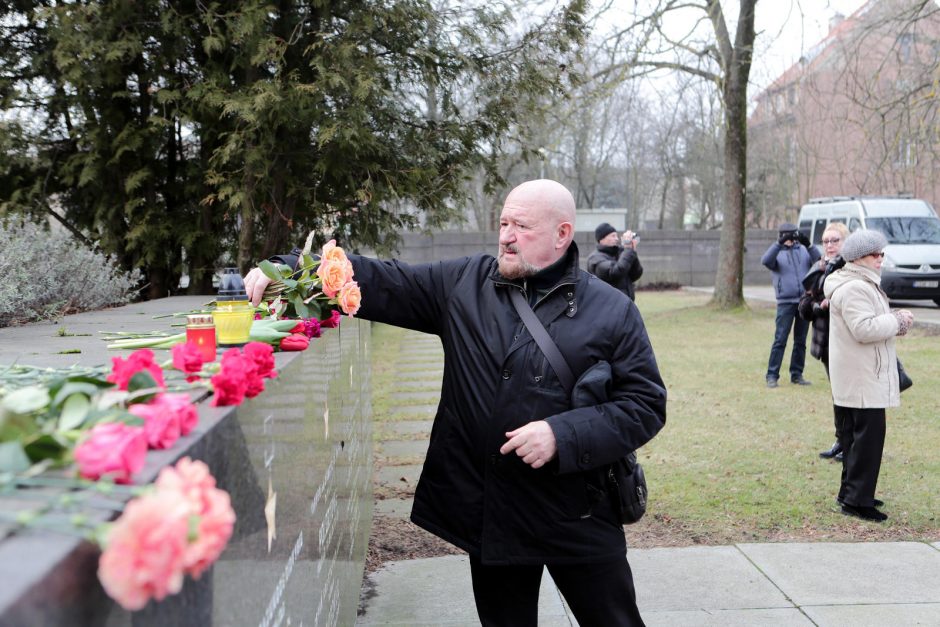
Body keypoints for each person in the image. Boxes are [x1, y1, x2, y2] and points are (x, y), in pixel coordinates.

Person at [245, 179, 667, 625]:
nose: (506, 235)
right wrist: (290, 268)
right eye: (503, 222)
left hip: (579, 515)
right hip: (495, 517)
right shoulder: (464, 283)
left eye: (522, 226)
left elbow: (644, 404)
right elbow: (384, 280)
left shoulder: (613, 310)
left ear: (562, 234)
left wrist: (561, 434)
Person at [823, 229, 913, 522]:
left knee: (855, 439)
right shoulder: (854, 287)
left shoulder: (856, 283)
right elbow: (863, 329)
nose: (880, 259)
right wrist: (897, 321)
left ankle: (852, 494)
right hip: (861, 376)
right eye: (875, 254)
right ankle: (857, 500)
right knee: (866, 440)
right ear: (859, 258)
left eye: (882, 253)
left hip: (858, 374)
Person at [798, 223, 849, 461]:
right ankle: (841, 440)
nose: (829, 245)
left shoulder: (851, 269)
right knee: (838, 394)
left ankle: (852, 443)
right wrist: (820, 307)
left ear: (845, 242)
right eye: (826, 241)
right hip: (827, 343)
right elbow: (804, 308)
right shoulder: (817, 268)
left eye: (835, 240)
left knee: (851, 396)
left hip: (849, 343)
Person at [761, 222, 822, 388]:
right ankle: (772, 375)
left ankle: (797, 374)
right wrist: (779, 244)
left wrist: (809, 245)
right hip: (785, 303)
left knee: (800, 340)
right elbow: (765, 261)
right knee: (780, 339)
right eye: (787, 235)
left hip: (803, 301)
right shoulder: (776, 252)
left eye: (793, 235)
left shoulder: (803, 250)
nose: (791, 238)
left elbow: (819, 261)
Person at [586, 222, 644, 301]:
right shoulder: (595, 259)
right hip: (609, 306)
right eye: (613, 236)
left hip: (626, 304)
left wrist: (632, 250)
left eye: (617, 236)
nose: (616, 239)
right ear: (601, 239)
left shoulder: (621, 254)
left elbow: (636, 274)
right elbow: (615, 272)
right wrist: (628, 250)